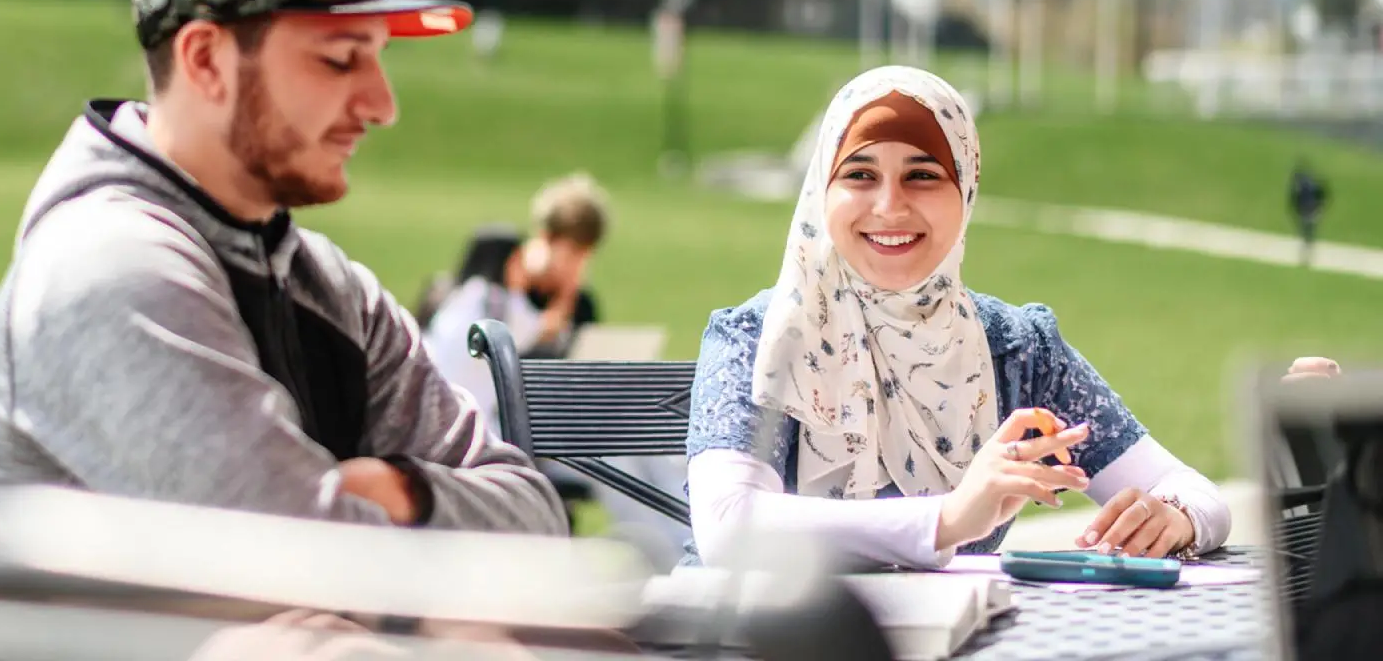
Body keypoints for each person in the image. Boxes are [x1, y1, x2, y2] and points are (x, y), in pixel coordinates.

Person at [0, 0, 567, 535]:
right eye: (338, 60)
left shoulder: (333, 291)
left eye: (378, 59)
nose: (383, 105)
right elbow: (284, 555)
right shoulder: (109, 273)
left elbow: (537, 522)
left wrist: (403, 489)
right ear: (207, 60)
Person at [684, 65, 1230, 569]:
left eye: (922, 175)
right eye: (859, 174)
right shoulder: (762, 339)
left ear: (965, 189)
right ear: (821, 193)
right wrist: (947, 519)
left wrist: (1175, 517)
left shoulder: (1018, 351)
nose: (889, 206)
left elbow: (1196, 493)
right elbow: (728, 525)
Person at [421, 173, 613, 431]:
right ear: (546, 237)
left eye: (586, 255)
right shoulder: (495, 278)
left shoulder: (581, 305)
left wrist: (567, 296)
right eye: (573, 252)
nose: (578, 265)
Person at [1291, 161, 1328, 267]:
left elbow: (1296, 200)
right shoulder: (1311, 186)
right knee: (1308, 233)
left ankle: (1307, 253)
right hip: (1310, 211)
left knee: (1307, 232)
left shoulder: (1303, 188)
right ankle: (1307, 252)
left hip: (1308, 211)